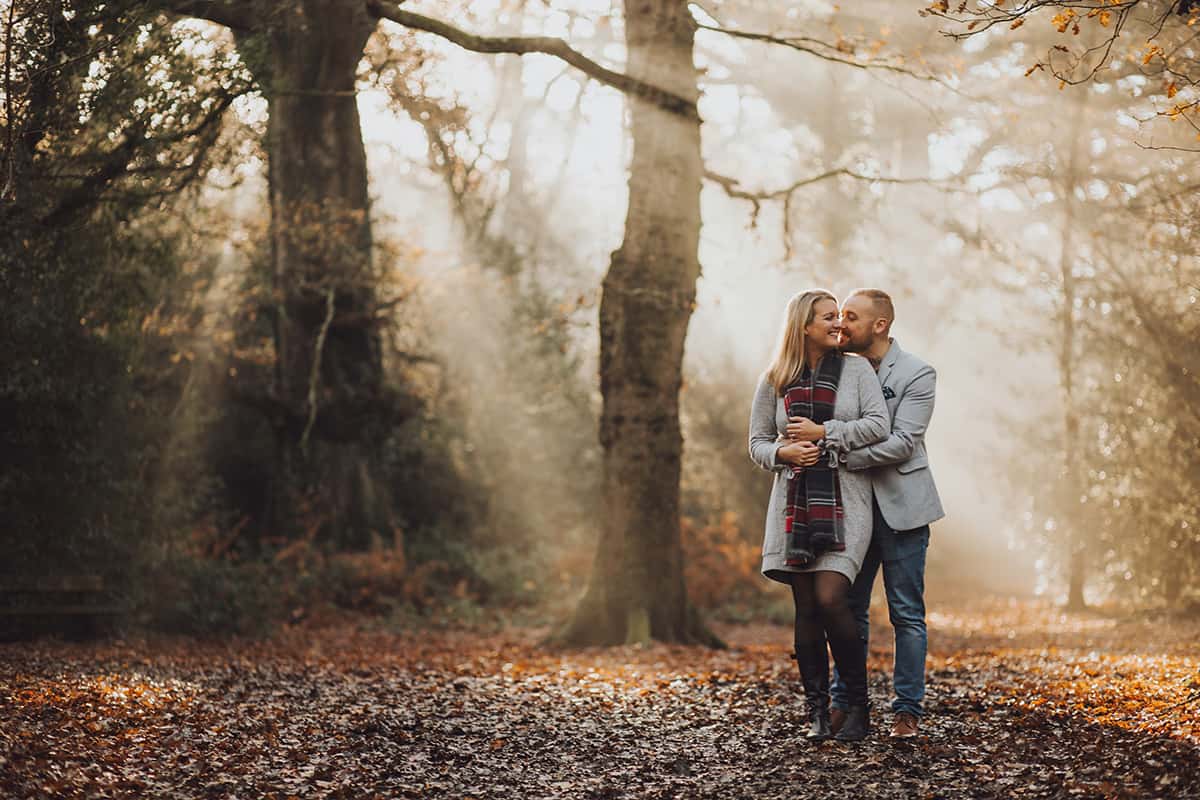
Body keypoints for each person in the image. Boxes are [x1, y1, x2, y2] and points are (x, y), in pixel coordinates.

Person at [748, 289, 890, 742]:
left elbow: (877, 425)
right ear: (804, 326)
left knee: (832, 598)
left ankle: (858, 708)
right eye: (829, 318)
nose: (839, 325)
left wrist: (824, 433)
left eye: (840, 318)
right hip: (792, 504)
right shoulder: (774, 379)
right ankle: (816, 712)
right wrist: (783, 451)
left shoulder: (856, 369)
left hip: (846, 500)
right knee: (806, 606)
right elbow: (757, 442)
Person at [827, 288, 945, 739]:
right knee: (847, 609)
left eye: (851, 317)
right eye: (839, 315)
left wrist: (838, 449)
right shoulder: (834, 368)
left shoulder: (918, 373)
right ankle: (844, 704)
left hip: (905, 510)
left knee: (907, 614)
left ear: (880, 325)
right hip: (851, 510)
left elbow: (903, 442)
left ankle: (907, 711)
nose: (841, 324)